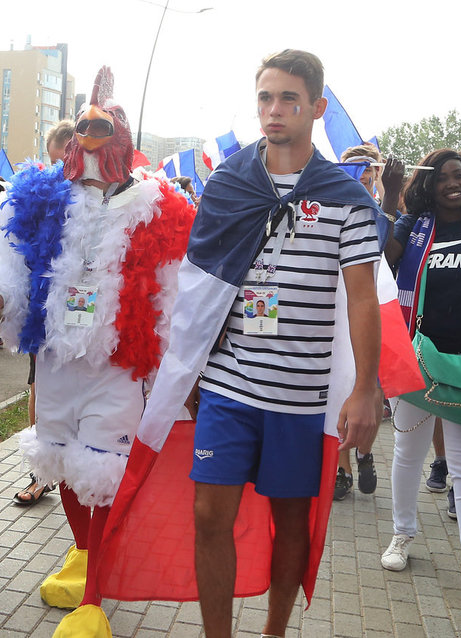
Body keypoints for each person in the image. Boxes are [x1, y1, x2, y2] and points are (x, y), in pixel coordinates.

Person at [141, 50, 380, 638]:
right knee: (208, 514)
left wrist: (365, 390)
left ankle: (274, 631)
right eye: (266, 98)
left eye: (289, 99)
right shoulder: (228, 183)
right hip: (229, 383)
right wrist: (187, 367)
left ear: (316, 108)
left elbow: (362, 298)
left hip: (301, 395)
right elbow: (198, 283)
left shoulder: (347, 197)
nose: (274, 110)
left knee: (291, 523)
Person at [0, 66, 194, 635]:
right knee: (63, 462)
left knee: (104, 470)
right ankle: (87, 556)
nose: (87, 153)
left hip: (116, 365)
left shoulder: (157, 204)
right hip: (55, 359)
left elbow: (175, 291)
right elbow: (10, 255)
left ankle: (94, 600)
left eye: (100, 138)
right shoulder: (44, 196)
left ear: (121, 146)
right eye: (81, 139)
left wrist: (173, 369)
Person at [381, 148, 461, 619]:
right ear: (428, 185)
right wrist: (388, 197)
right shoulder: (411, 226)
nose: (454, 184)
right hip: (416, 361)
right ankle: (402, 534)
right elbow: (381, 260)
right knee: (407, 455)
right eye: (443, 178)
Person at [330, 143, 405, 500]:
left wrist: (388, 197)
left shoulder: (383, 208)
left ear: (375, 174)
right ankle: (341, 465)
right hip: (334, 312)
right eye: (351, 168)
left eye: (366, 169)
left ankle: (365, 452)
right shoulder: (330, 204)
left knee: (371, 389)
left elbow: (382, 243)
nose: (358, 175)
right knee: (339, 385)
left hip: (371, 309)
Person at [13, 119, 74, 507]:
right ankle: (41, 472)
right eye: (53, 162)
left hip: (88, 320)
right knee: (40, 388)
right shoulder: (43, 199)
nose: (58, 172)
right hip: (46, 315)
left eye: (64, 162)